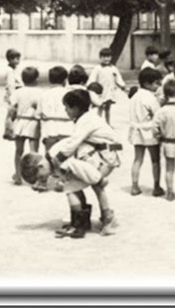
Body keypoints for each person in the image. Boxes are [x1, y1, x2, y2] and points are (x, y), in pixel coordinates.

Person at [24, 89, 122, 238]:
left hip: (108, 154)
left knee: (85, 184)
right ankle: (91, 219)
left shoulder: (87, 120)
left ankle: (102, 219)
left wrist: (59, 159)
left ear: (76, 108)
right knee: (79, 182)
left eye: (67, 107)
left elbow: (74, 142)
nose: (65, 111)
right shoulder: (84, 119)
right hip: (101, 151)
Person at [127, 67, 164, 197]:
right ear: (148, 83)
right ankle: (157, 186)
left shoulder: (134, 96)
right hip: (149, 131)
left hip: (136, 130)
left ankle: (134, 186)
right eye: (156, 83)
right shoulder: (150, 98)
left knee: (137, 159)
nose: (158, 86)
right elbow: (158, 115)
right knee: (155, 160)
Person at [10, 66, 43, 185]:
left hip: (20, 122)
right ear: (36, 79)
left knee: (18, 151)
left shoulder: (17, 92)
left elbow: (12, 108)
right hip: (33, 122)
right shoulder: (40, 93)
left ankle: (18, 176)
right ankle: (35, 177)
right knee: (34, 151)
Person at [88, 47, 127, 125]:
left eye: (108, 57)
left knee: (108, 108)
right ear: (100, 58)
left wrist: (122, 85)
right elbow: (92, 80)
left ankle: (107, 123)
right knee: (99, 107)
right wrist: (91, 87)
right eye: (104, 57)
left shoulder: (113, 68)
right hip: (100, 92)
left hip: (109, 91)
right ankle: (98, 123)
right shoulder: (97, 69)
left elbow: (118, 78)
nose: (106, 59)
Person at [2, 48, 23, 140]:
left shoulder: (15, 69)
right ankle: (9, 132)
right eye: (15, 59)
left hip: (17, 91)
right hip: (13, 93)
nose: (17, 61)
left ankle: (8, 131)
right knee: (11, 114)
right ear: (10, 60)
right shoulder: (10, 71)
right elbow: (11, 85)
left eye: (18, 58)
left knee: (12, 114)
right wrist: (13, 96)